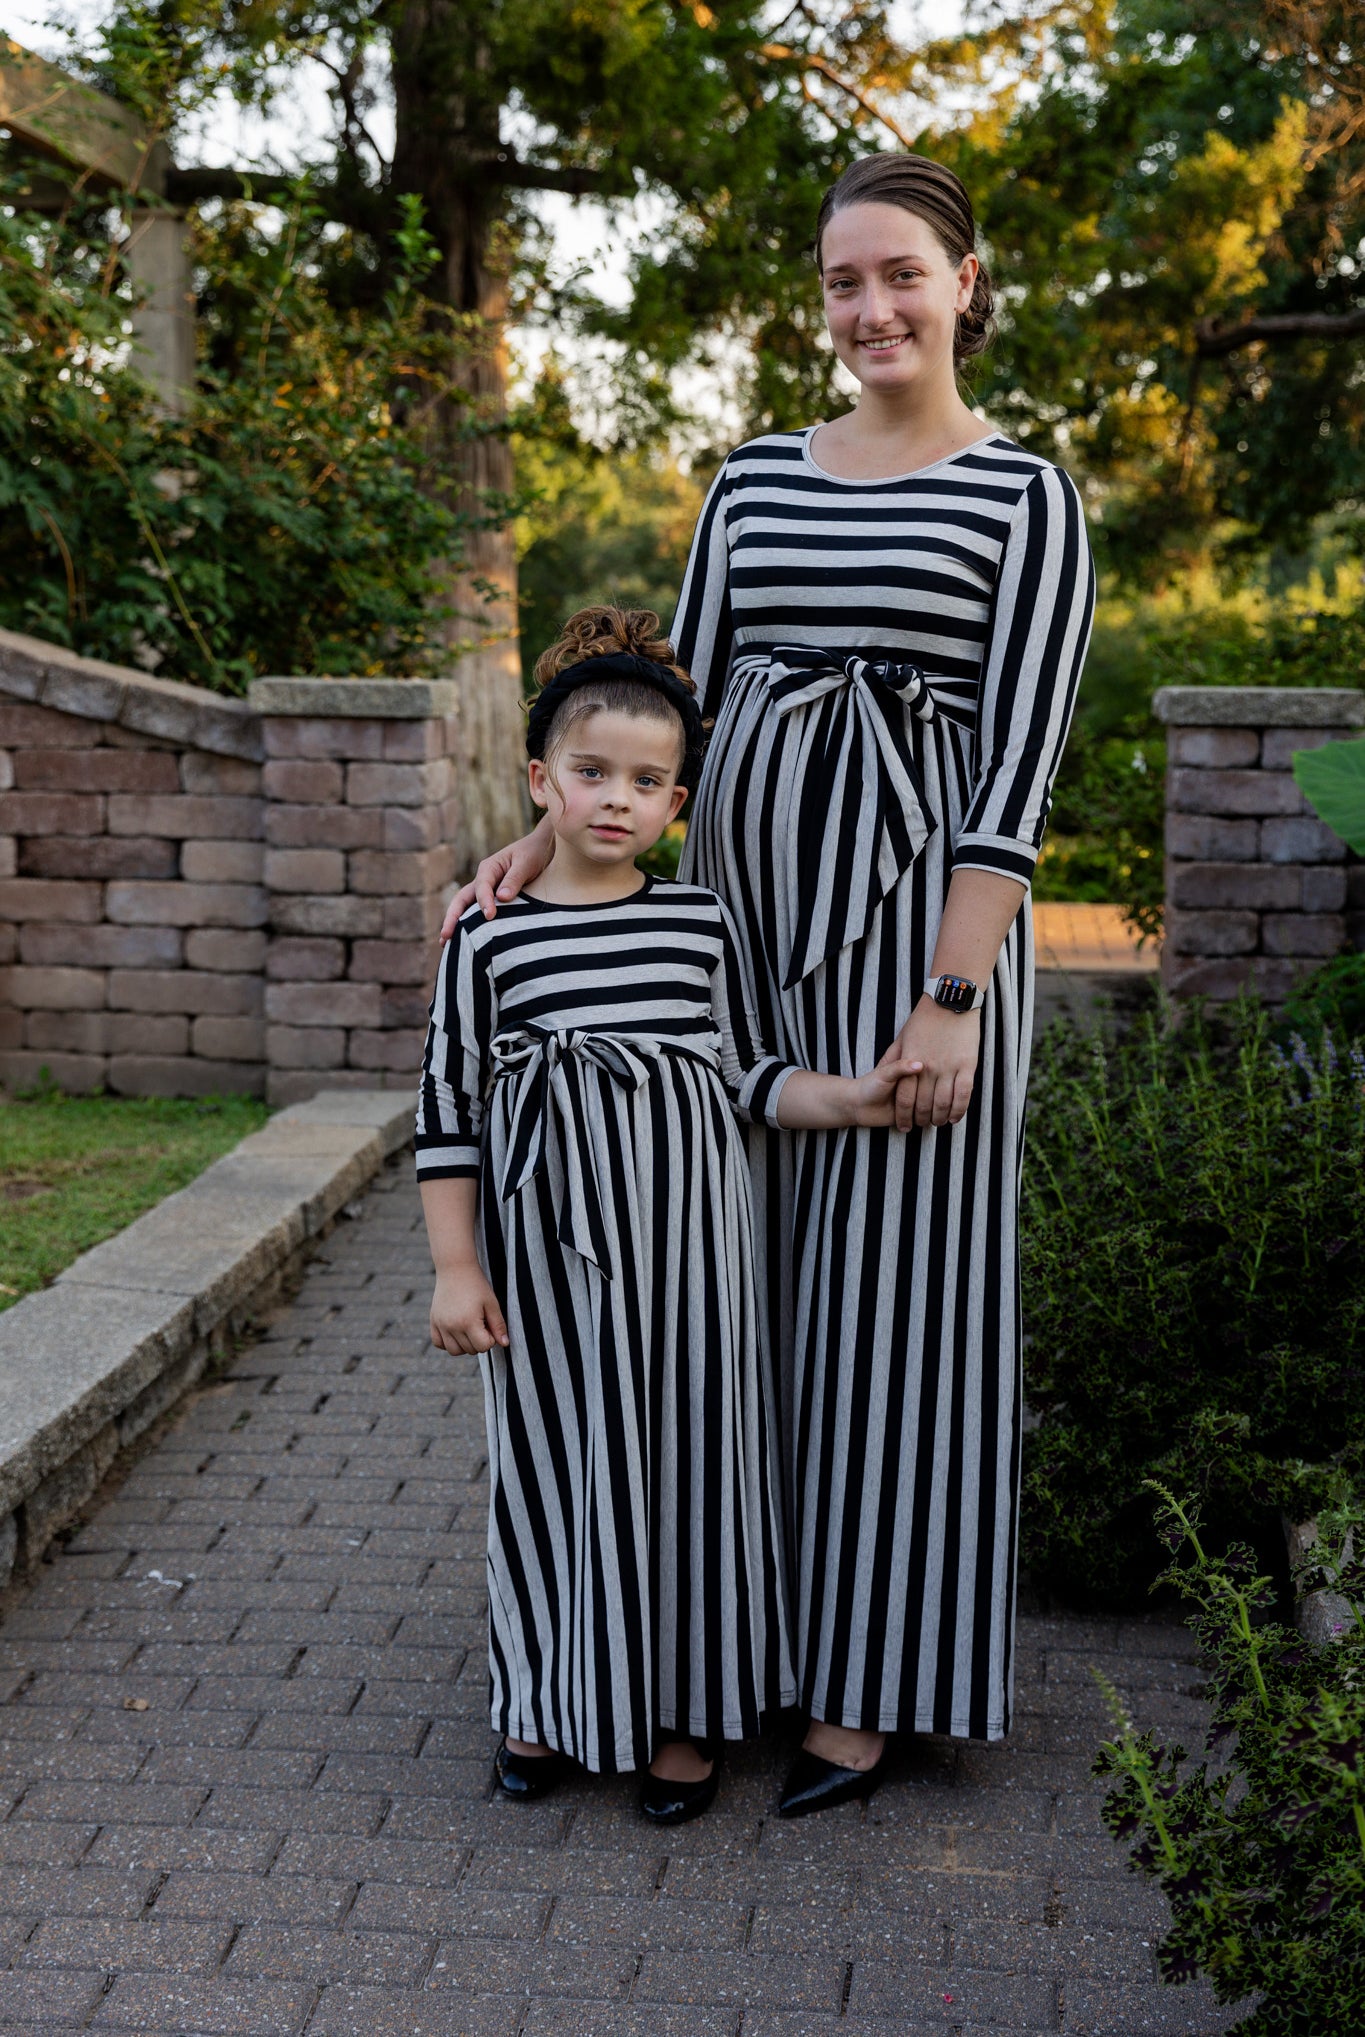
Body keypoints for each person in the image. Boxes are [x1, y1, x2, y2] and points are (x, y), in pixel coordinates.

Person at [443, 153, 1096, 1816]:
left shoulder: (1025, 497)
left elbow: (1013, 777)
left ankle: (875, 1688)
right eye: (841, 284)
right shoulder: (750, 484)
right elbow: (671, 720)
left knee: (903, 1322)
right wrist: (539, 859)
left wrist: (950, 1001)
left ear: (966, 281)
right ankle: (732, 1649)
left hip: (918, 954)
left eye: (901, 275)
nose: (871, 308)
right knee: (743, 1311)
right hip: (731, 948)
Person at [415, 605, 919, 1826]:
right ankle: (543, 1697)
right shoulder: (487, 938)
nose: (615, 800)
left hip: (698, 1260)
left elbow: (746, 1072)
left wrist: (851, 1097)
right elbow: (446, 1107)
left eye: (647, 781)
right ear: (540, 780)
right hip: (545, 1263)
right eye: (590, 774)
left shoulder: (698, 923)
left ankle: (685, 1718)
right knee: (550, 1474)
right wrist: (453, 1268)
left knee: (696, 1472)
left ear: (678, 799)